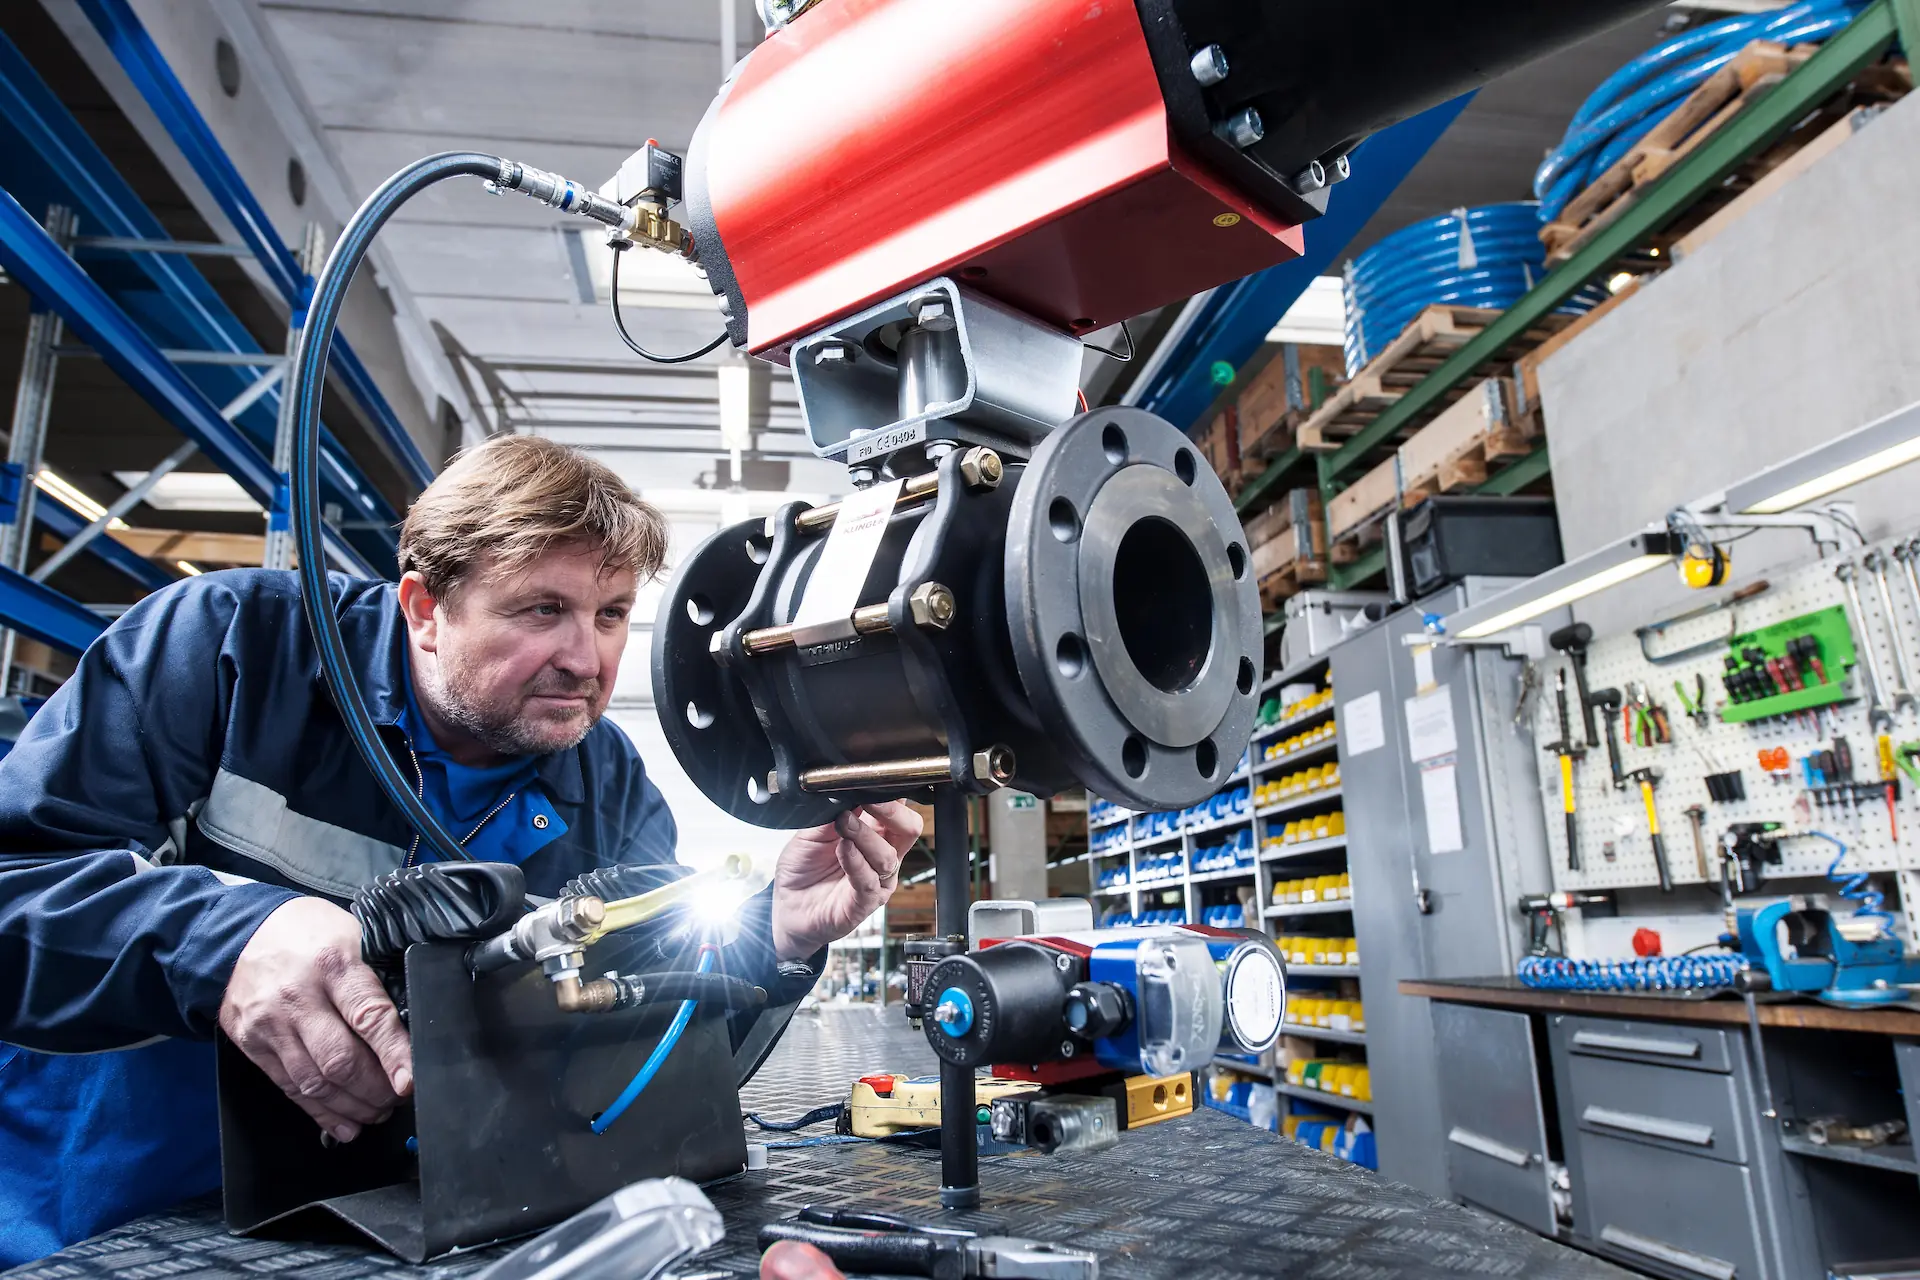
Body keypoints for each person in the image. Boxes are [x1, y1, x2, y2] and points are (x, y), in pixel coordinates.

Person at [0, 435, 920, 1266]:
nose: (585, 659)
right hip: (106, 1224)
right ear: (426, 608)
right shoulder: (232, 651)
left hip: (387, 1235)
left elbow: (647, 1050)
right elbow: (16, 885)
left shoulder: (605, 784)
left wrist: (780, 939)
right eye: (542, 609)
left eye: (609, 615)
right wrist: (221, 940)